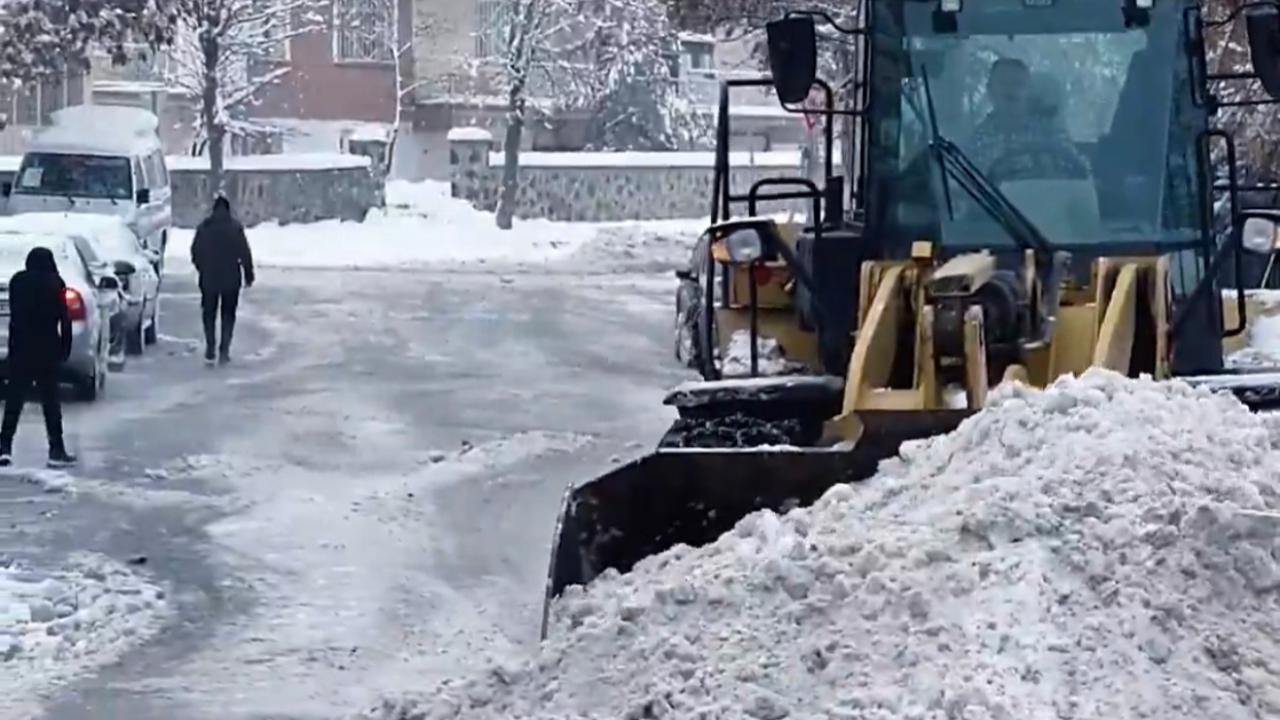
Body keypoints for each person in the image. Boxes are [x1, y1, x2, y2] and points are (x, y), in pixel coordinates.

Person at [0, 247, 76, 468]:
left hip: (21, 349)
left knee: (14, 401)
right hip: (47, 350)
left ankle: (4, 447)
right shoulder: (55, 283)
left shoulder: (17, 282)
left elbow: (15, 317)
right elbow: (65, 319)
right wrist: (64, 348)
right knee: (51, 403)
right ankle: (56, 449)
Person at [191, 196, 254, 366]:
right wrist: (248, 273)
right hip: (231, 279)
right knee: (228, 315)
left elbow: (195, 252)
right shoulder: (235, 228)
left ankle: (210, 346)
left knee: (209, 313)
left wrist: (202, 268)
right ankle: (224, 349)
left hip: (209, 278)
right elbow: (244, 252)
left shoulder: (204, 228)